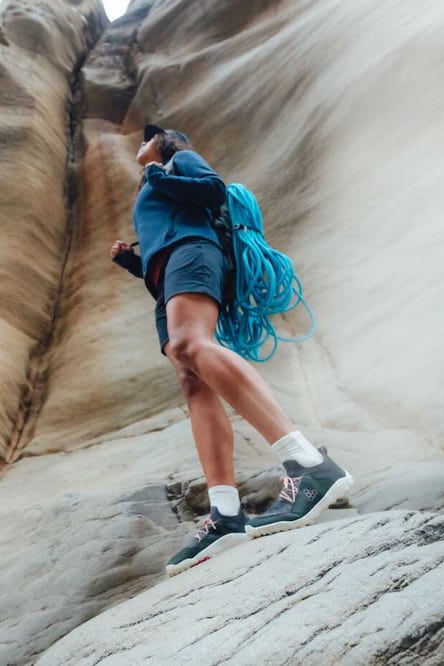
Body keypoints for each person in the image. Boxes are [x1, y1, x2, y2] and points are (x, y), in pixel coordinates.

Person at [110, 124, 354, 576]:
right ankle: (225, 513)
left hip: (193, 255)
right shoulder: (154, 182)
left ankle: (308, 464)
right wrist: (134, 263)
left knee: (190, 345)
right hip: (167, 277)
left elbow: (211, 191)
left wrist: (159, 174)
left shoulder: (177, 161)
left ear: (165, 142)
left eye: (150, 137)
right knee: (191, 379)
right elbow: (164, 235)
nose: (141, 143)